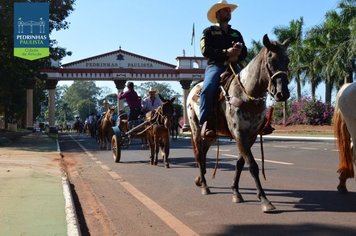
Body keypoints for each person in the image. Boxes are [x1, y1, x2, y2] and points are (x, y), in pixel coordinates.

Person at [199, 0, 247, 138]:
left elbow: (245, 52)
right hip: (216, 66)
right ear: (217, 13)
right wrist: (226, 52)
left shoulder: (236, 33)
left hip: (234, 66)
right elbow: (205, 50)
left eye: (229, 10)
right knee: (207, 90)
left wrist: (237, 54)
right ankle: (205, 123)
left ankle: (257, 121)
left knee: (250, 87)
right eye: (225, 10)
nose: (228, 12)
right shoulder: (208, 32)